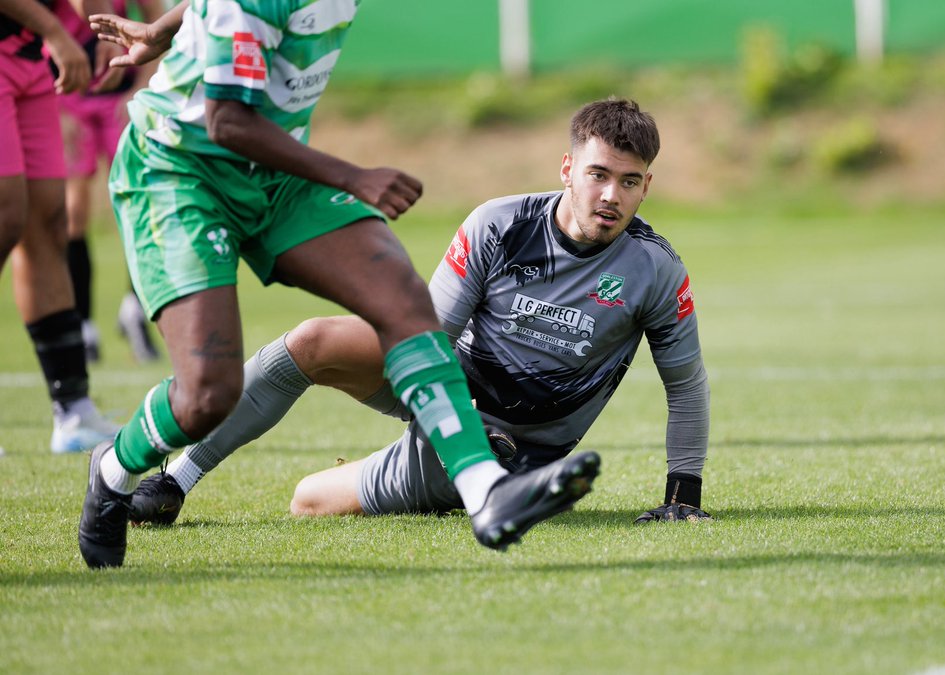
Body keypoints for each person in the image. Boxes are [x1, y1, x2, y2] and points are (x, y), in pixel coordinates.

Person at [77, 0, 599, 569]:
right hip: (179, 170)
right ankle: (114, 468)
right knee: (207, 395)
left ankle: (485, 493)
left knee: (402, 301)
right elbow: (225, 120)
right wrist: (354, 176)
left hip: (275, 176)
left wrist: (163, 27)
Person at [128, 98, 712, 528]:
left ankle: (488, 479)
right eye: (598, 175)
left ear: (646, 186)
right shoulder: (499, 224)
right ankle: (176, 479)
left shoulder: (655, 270)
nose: (611, 195)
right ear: (567, 169)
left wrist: (683, 497)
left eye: (629, 182)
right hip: (446, 389)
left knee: (306, 499)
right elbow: (425, 335)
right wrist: (445, 415)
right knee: (311, 341)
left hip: (515, 446)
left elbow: (685, 385)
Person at [1, 0, 123, 454]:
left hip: (29, 58)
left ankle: (72, 409)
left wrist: (100, 31)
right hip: (27, 42)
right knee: (5, 214)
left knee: (49, 222)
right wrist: (55, 30)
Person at [55, 0, 163, 363]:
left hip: (121, 98)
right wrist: (54, 108)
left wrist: (144, 87)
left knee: (143, 205)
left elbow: (158, 25)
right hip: (71, 100)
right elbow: (39, 35)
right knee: (74, 212)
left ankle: (134, 309)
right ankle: (84, 325)